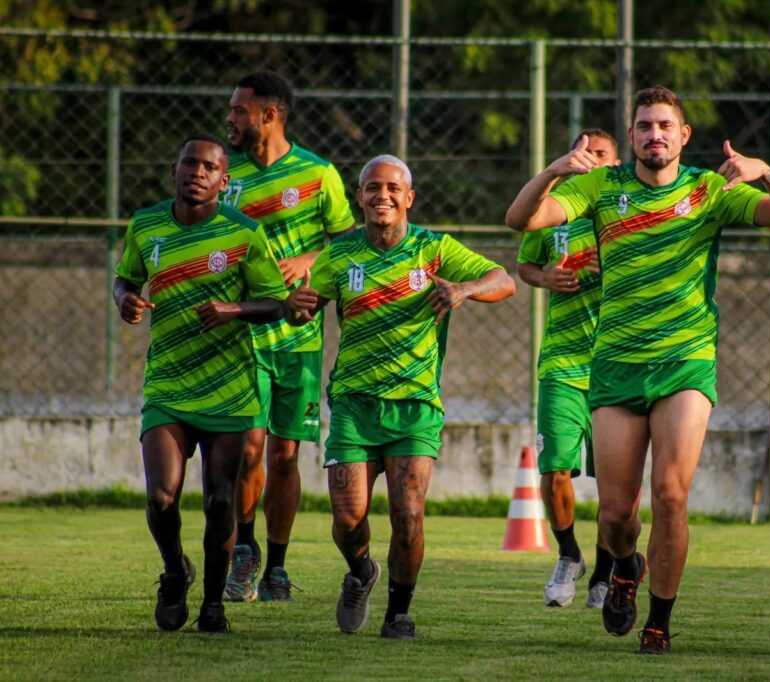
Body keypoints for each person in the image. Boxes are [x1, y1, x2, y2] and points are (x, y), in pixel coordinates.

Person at [506, 86, 770, 654]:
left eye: (665, 126)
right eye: (644, 126)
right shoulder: (600, 185)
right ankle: (625, 566)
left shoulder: (708, 190)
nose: (655, 135)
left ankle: (659, 622)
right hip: (616, 364)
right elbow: (519, 218)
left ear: (683, 135)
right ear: (632, 136)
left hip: (685, 361)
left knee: (670, 495)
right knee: (618, 515)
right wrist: (553, 170)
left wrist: (765, 171)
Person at [286, 154, 516, 639]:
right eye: (372, 187)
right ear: (360, 198)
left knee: (407, 514)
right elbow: (302, 308)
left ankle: (399, 613)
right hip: (353, 403)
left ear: (409, 198)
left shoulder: (435, 249)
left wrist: (465, 290)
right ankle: (362, 571)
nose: (382, 195)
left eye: (393, 188)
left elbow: (504, 279)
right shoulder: (340, 254)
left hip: (415, 405)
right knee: (348, 520)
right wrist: (297, 309)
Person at [113, 134, 289, 632]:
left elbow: (275, 302)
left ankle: (213, 603)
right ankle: (174, 571)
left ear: (223, 180)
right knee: (161, 497)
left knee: (219, 501)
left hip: (229, 390)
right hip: (167, 385)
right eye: (189, 162)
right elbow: (125, 277)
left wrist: (233, 308)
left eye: (209, 166)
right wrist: (123, 298)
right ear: (174, 169)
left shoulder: (245, 232)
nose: (198, 171)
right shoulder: (146, 224)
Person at [222, 70, 356, 603]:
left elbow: (350, 245)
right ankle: (243, 551)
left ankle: (277, 563)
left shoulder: (319, 175)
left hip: (298, 340)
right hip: (245, 335)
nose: (230, 120)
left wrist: (310, 259)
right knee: (249, 450)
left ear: (269, 116)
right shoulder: (223, 174)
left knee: (284, 456)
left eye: (238, 110)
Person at [517, 128, 619, 608]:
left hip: (617, 361)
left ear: (616, 163)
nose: (590, 160)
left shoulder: (629, 212)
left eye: (600, 154)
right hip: (561, 360)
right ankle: (569, 555)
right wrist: (547, 277)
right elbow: (525, 266)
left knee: (614, 484)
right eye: (583, 152)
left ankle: (604, 573)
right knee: (555, 468)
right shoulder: (556, 209)